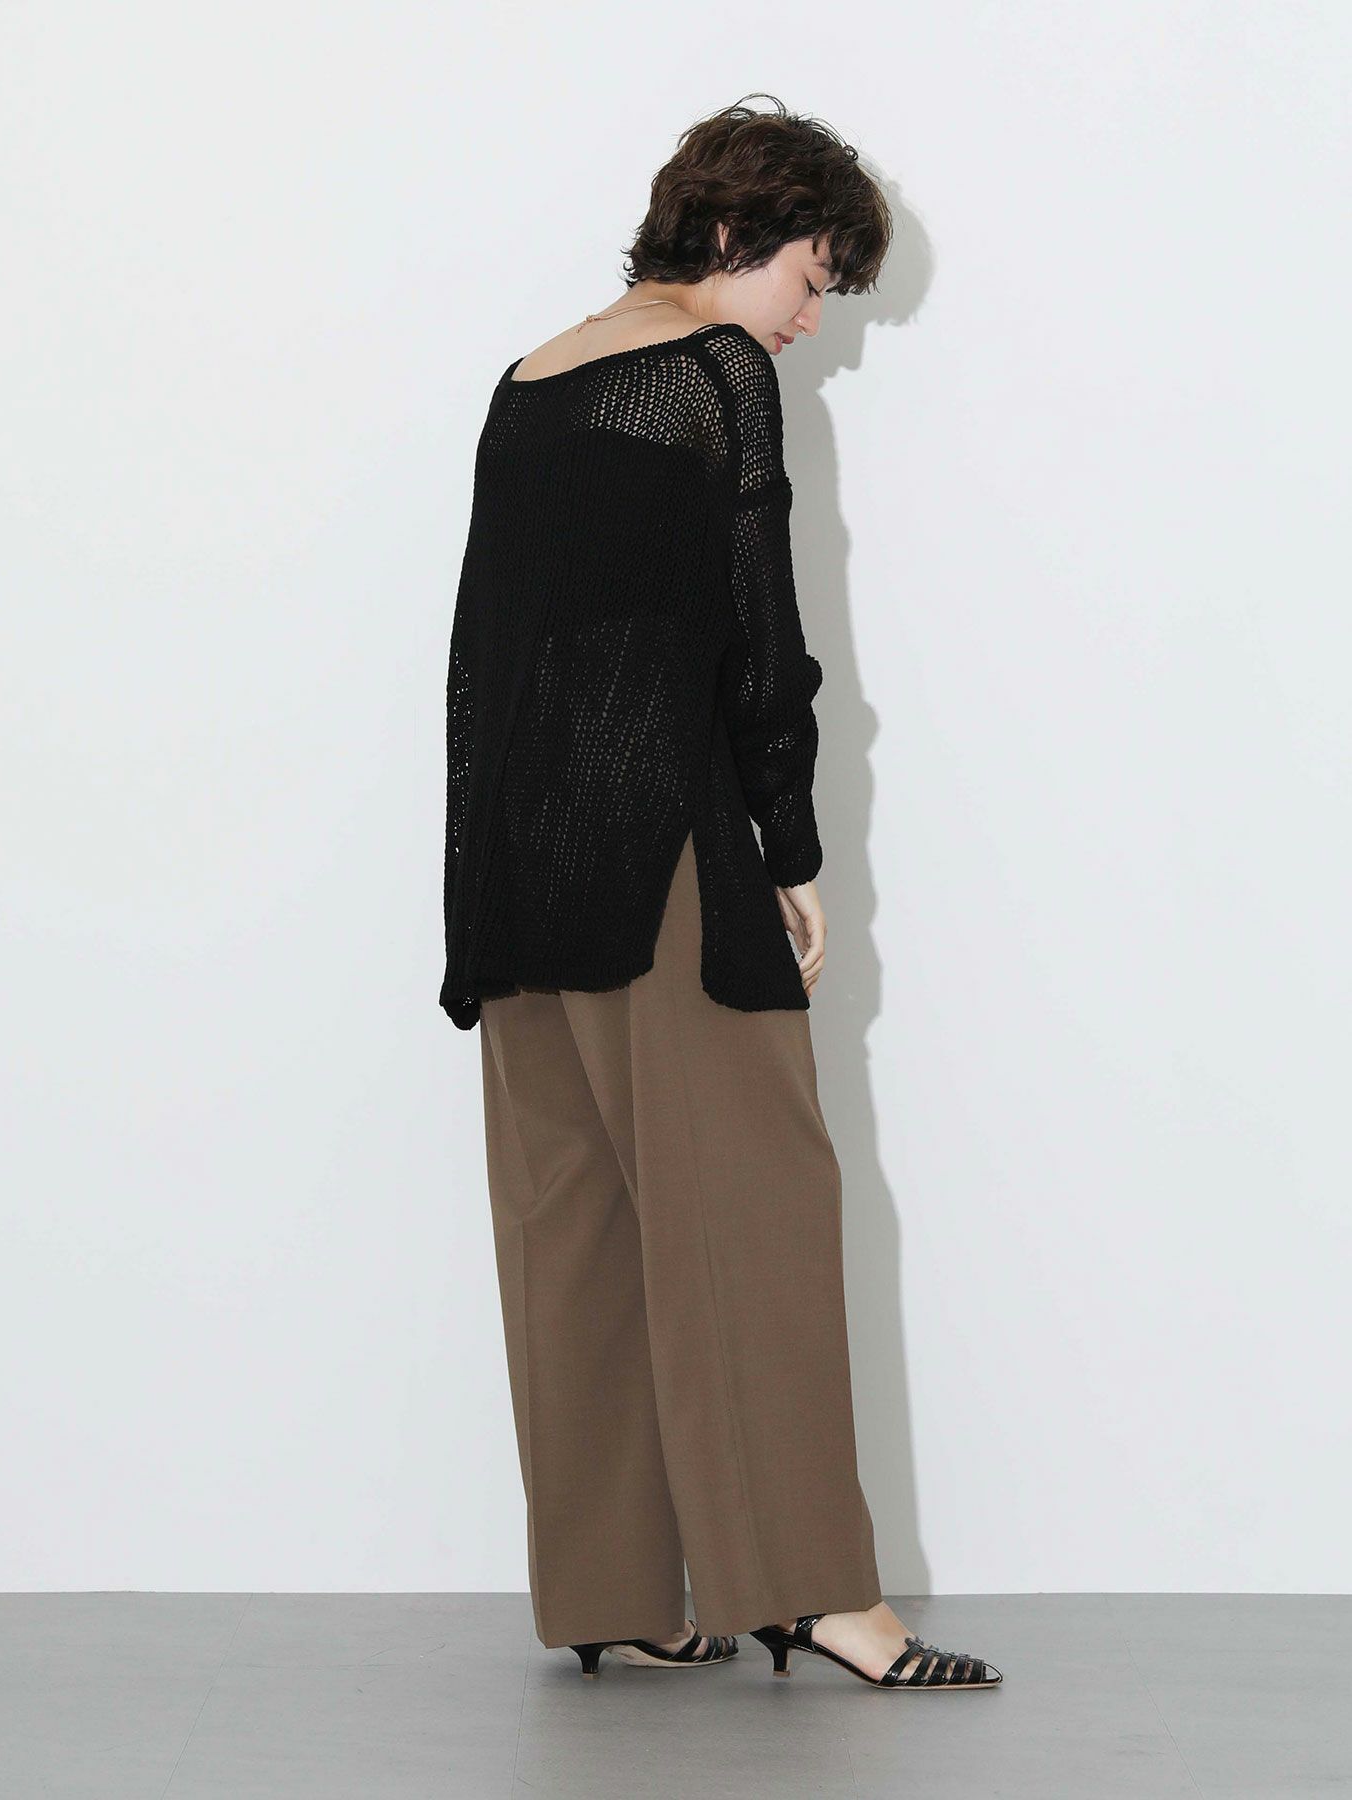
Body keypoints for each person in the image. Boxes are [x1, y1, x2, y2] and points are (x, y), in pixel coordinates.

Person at [440, 95, 1002, 1691]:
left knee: (574, 1229)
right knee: (754, 1212)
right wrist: (788, 850)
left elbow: (488, 651)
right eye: (813, 277)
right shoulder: (712, 373)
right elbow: (759, 640)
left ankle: (611, 1590)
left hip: (519, 870)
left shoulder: (532, 378)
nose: (812, 320)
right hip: (658, 861)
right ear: (741, 232)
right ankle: (817, 1594)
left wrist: (474, 881)